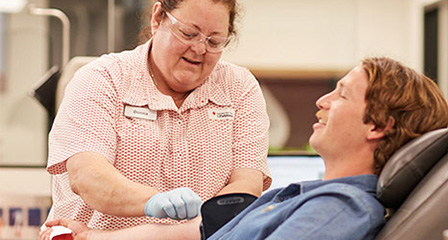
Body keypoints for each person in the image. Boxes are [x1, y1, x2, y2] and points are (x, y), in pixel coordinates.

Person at [41, 56, 448, 240]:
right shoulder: (308, 196)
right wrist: (89, 237)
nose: (322, 102)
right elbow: (200, 230)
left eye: (341, 95)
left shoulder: (340, 209)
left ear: (379, 125)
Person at [45, 0, 271, 234]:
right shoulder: (102, 79)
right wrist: (153, 202)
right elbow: (88, 177)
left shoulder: (239, 88)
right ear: (157, 18)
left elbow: (246, 185)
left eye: (214, 41)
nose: (199, 49)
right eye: (188, 33)